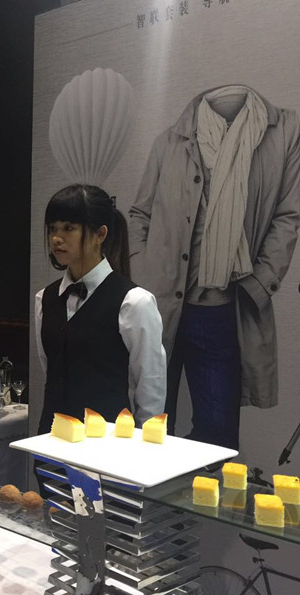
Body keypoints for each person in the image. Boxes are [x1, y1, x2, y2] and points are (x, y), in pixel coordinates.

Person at [129, 85, 300, 450]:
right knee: (150, 428)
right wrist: (142, 273)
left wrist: (261, 282)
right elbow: (140, 213)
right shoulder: (170, 142)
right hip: (160, 306)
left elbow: (288, 216)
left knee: (218, 437)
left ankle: (194, 488)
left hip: (221, 310)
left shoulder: (280, 134)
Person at [34, 184, 166, 438]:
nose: (56, 238)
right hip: (52, 438)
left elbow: (151, 385)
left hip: (108, 444)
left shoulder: (134, 302)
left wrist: (143, 445)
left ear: (100, 234)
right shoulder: (44, 299)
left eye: (68, 228)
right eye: (52, 229)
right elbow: (51, 369)